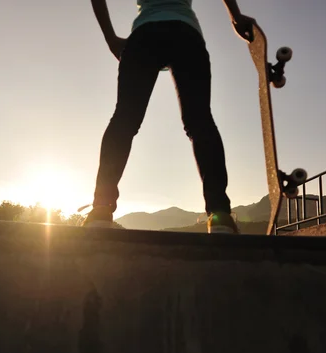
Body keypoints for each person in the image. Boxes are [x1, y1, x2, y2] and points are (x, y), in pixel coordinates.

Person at [83, 0, 255, 233]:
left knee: (124, 119)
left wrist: (110, 38)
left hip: (144, 35)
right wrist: (235, 16)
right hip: (185, 33)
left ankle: (101, 209)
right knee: (200, 121)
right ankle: (220, 214)